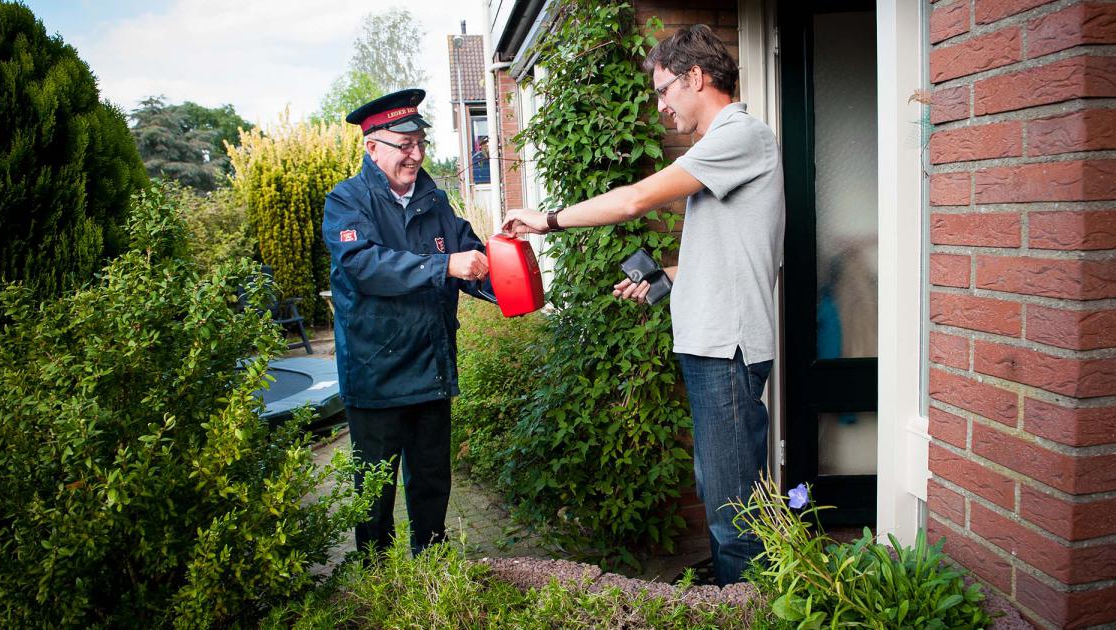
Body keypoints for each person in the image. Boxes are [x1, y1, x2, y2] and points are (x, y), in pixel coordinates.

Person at [503, 25, 785, 586]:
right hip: (711, 345)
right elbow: (732, 257)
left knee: (736, 514)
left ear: (696, 78)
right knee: (720, 490)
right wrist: (664, 277)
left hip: (726, 348)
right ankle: (739, 591)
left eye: (663, 91)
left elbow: (635, 199)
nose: (661, 107)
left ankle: (748, 606)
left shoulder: (741, 135)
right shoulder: (719, 149)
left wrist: (549, 220)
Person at [323, 88, 493, 555]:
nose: (416, 154)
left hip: (431, 368)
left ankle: (432, 574)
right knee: (374, 498)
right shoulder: (346, 202)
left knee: (432, 486)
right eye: (404, 145)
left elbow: (469, 252)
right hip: (376, 375)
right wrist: (445, 267)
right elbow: (365, 265)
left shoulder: (434, 200)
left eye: (420, 142)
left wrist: (506, 276)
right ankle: (376, 588)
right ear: (372, 146)